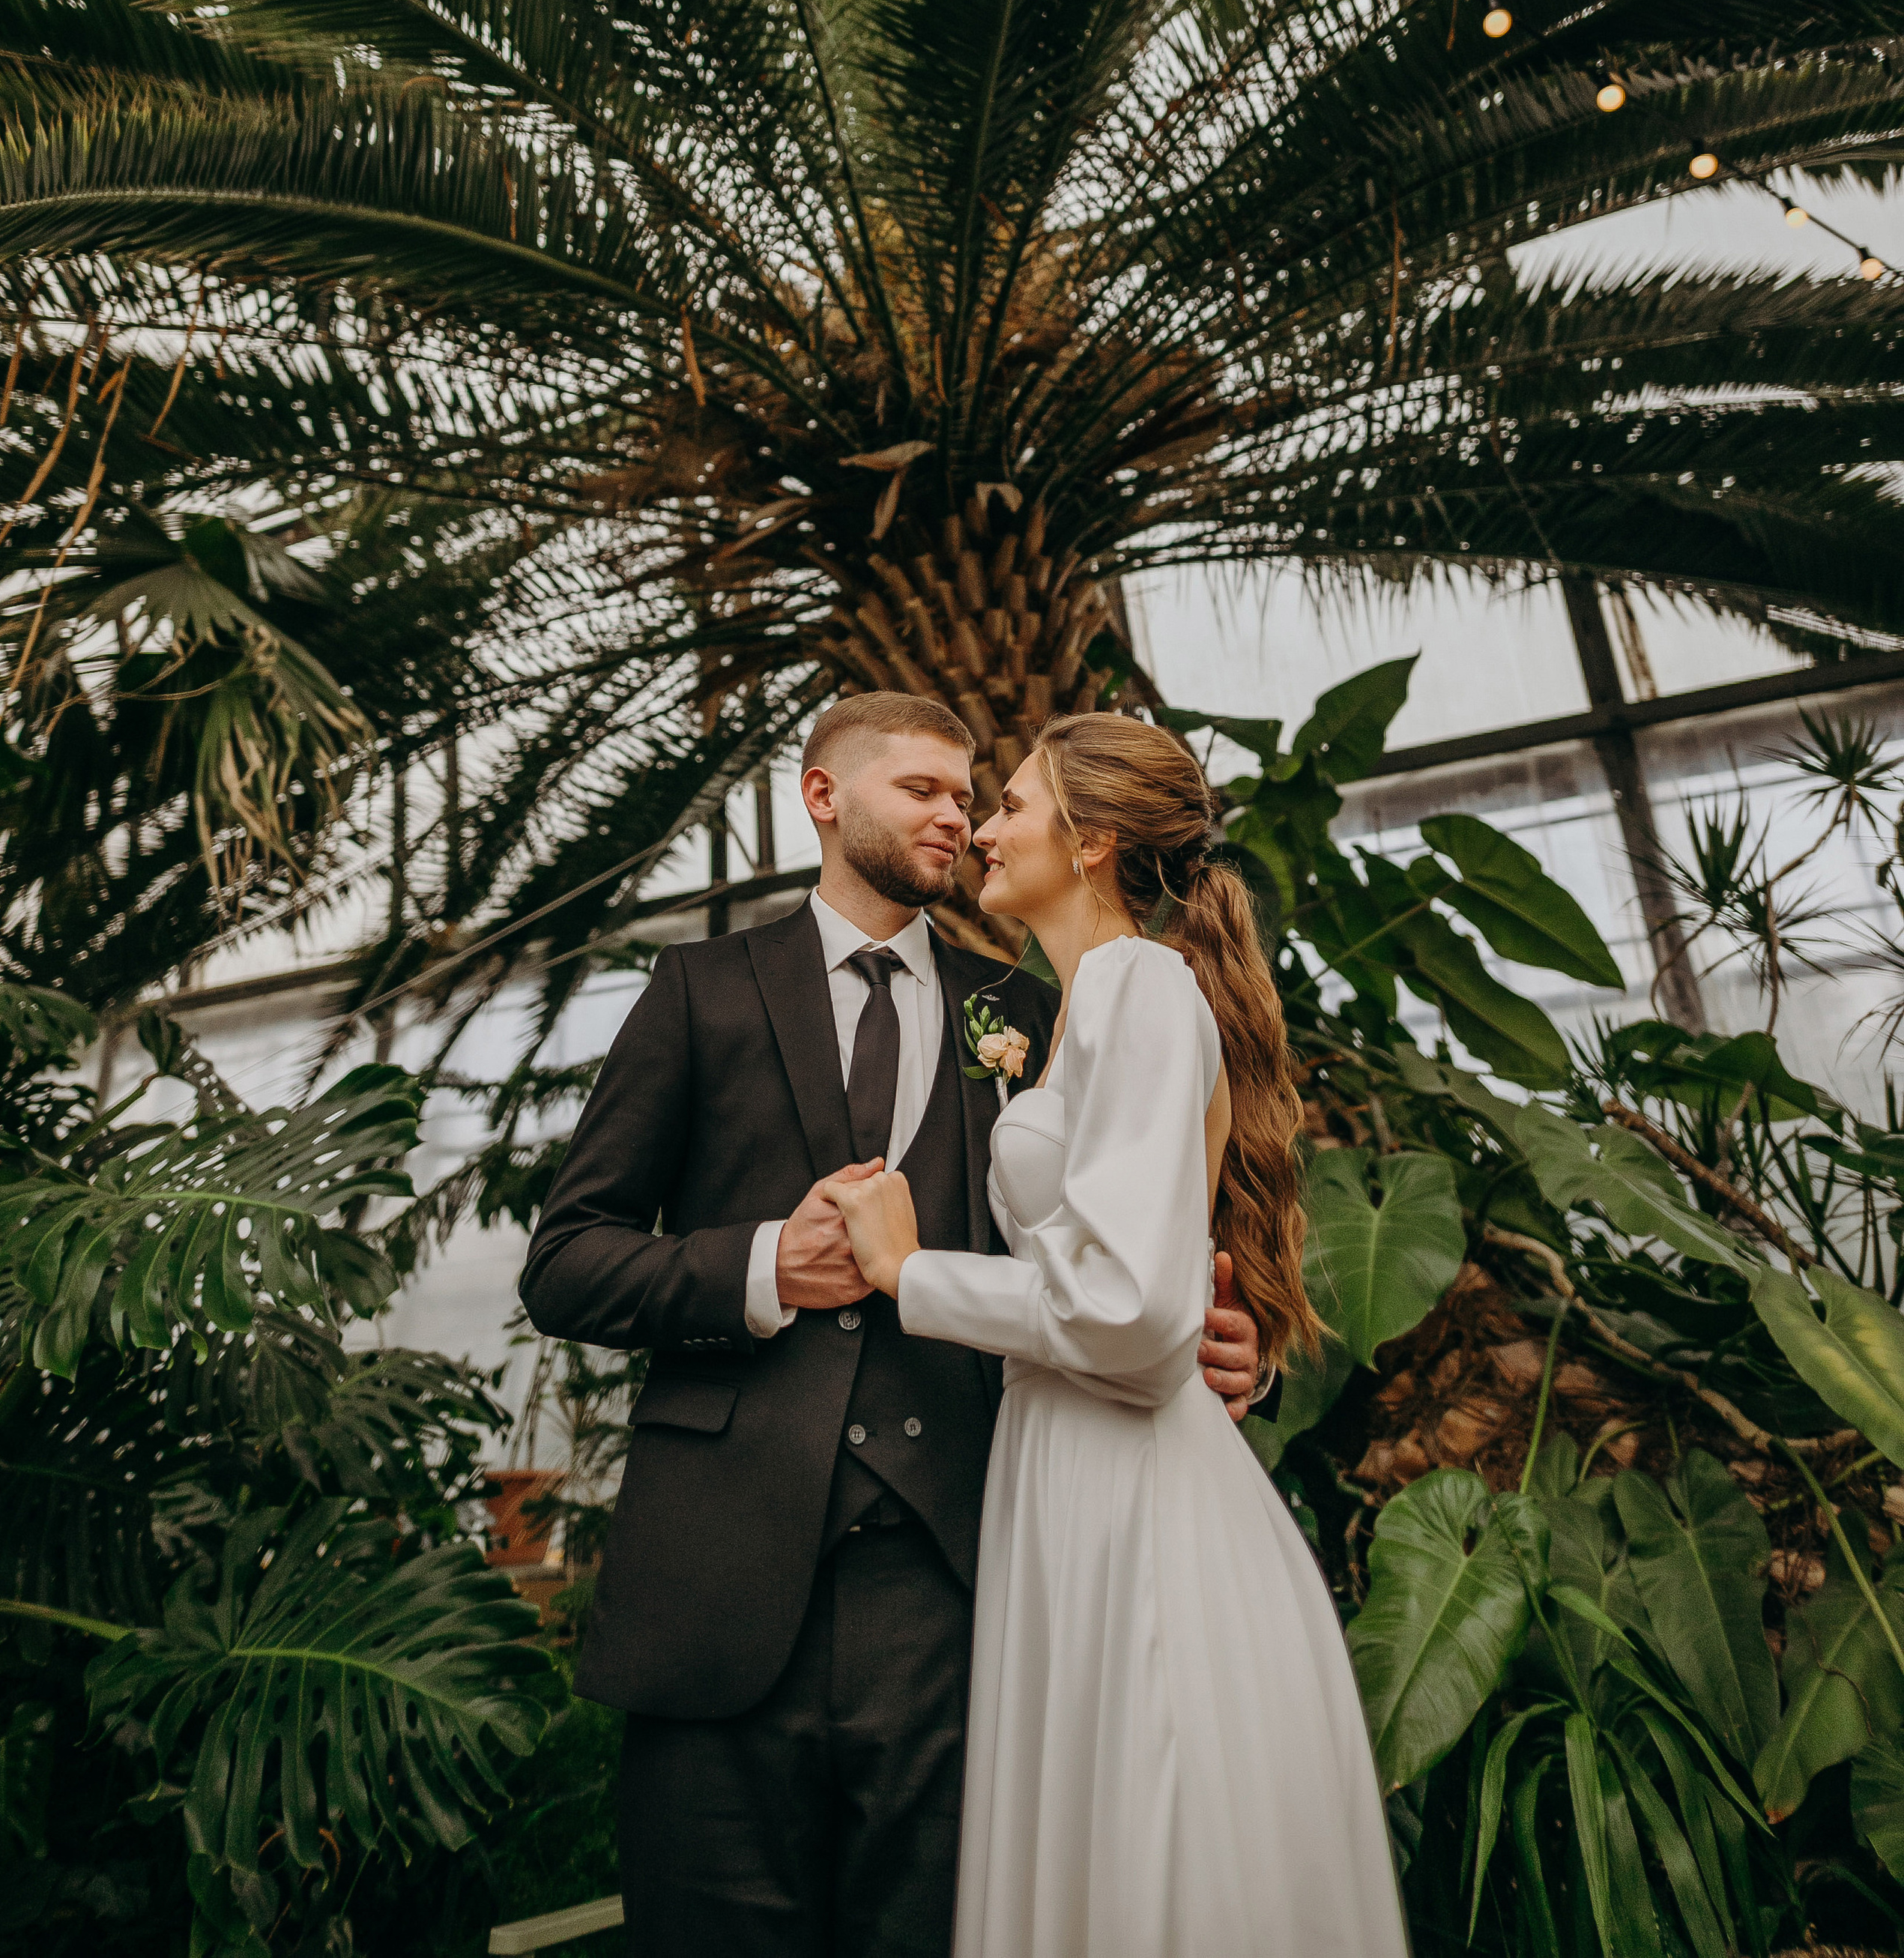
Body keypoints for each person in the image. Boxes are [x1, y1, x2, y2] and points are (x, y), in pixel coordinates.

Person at [519, 692, 1262, 1958]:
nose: (956, 814)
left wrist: (1209, 1353)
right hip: (723, 1581)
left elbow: (1117, 1260)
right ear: (824, 797)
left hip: (965, 1585)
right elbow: (568, 1264)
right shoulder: (701, 992)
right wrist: (763, 1265)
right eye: (920, 789)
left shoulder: (1033, 1010)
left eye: (971, 794)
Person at [832, 712, 1409, 1958]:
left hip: (1128, 1485)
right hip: (1066, 1472)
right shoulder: (1083, 1005)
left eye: (1014, 806)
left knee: (1158, 1839)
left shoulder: (1140, 985)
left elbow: (1137, 1317)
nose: (983, 826)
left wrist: (909, 1271)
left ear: (1090, 843)